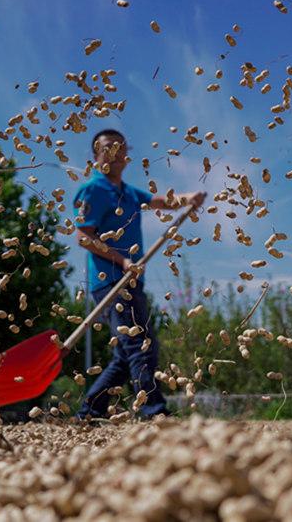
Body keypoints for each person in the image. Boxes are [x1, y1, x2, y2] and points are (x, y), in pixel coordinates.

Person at [73, 129, 205, 421]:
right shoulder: (92, 190)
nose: (114, 151)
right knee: (139, 345)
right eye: (107, 147)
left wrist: (188, 198)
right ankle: (153, 411)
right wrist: (121, 260)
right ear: (95, 155)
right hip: (111, 282)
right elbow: (83, 237)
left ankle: (88, 412)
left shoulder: (129, 192)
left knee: (127, 353)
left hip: (131, 280)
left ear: (126, 154)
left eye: (119, 146)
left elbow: (160, 201)